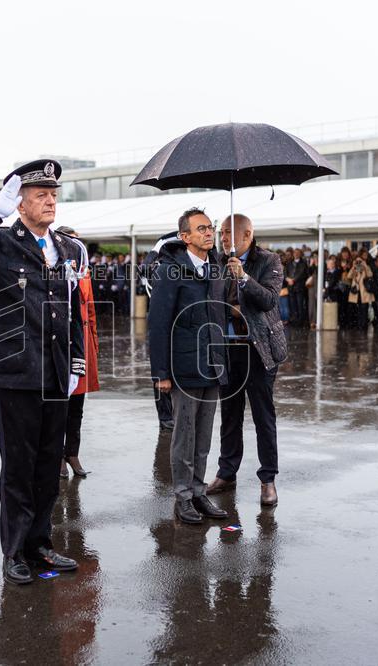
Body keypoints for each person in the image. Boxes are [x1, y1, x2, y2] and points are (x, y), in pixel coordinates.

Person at [0, 159, 86, 585]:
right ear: (21, 204)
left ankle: (40, 543)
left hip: (54, 373)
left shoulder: (63, 247)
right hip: (15, 370)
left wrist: (75, 359)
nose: (50, 201)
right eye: (40, 195)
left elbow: (70, 310)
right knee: (19, 466)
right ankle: (14, 551)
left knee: (48, 464)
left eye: (54, 194)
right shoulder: (0, 243)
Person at [148, 207, 229, 524]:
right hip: (183, 367)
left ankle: (198, 492)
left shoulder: (216, 267)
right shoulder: (170, 270)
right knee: (184, 436)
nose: (209, 233)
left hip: (212, 364)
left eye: (210, 228)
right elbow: (159, 324)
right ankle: (182, 497)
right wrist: (161, 373)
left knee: (204, 435)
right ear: (185, 237)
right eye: (201, 229)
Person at [208, 214, 287, 507]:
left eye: (229, 233)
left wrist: (243, 277)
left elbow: (268, 300)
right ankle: (226, 472)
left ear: (248, 234)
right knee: (229, 413)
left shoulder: (270, 261)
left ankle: (268, 478)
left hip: (259, 348)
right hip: (228, 347)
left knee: (263, 415)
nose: (224, 237)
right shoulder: (216, 261)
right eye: (222, 232)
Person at [55, 225, 99, 479]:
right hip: (63, 344)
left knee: (77, 406)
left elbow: (90, 310)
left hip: (82, 346)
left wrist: (93, 344)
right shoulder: (55, 272)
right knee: (60, 405)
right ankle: (58, 456)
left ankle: (72, 452)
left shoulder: (84, 273)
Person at [141, 231, 179, 431]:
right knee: (161, 368)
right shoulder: (163, 248)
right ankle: (165, 417)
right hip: (163, 317)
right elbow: (145, 269)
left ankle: (172, 415)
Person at [346, 256, 373, 330]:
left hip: (364, 293)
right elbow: (349, 276)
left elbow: (370, 274)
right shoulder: (354, 269)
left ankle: (363, 326)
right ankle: (358, 325)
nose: (359, 263)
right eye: (357, 261)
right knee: (357, 310)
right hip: (356, 293)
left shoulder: (366, 268)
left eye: (360, 261)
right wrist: (353, 267)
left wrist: (365, 265)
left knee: (364, 310)